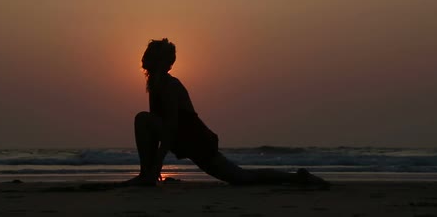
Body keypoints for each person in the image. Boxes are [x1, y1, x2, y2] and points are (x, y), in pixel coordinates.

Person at [124, 38, 328, 187]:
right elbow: (156, 129)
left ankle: (297, 177)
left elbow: (170, 127)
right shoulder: (155, 84)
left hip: (196, 140)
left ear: (158, 60)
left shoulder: (169, 85)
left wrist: (157, 165)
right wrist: (152, 169)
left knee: (241, 178)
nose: (143, 57)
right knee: (143, 120)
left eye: (149, 54)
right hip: (184, 140)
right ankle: (145, 174)